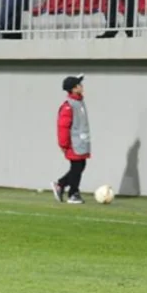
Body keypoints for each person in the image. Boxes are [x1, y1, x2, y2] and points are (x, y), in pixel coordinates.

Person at [53, 74, 90, 205]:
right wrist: (63, 144)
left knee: (80, 166)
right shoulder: (69, 106)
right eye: (79, 84)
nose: (82, 86)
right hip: (73, 143)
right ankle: (73, 193)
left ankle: (61, 184)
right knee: (77, 167)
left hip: (81, 143)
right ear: (74, 89)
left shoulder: (79, 102)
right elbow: (63, 126)